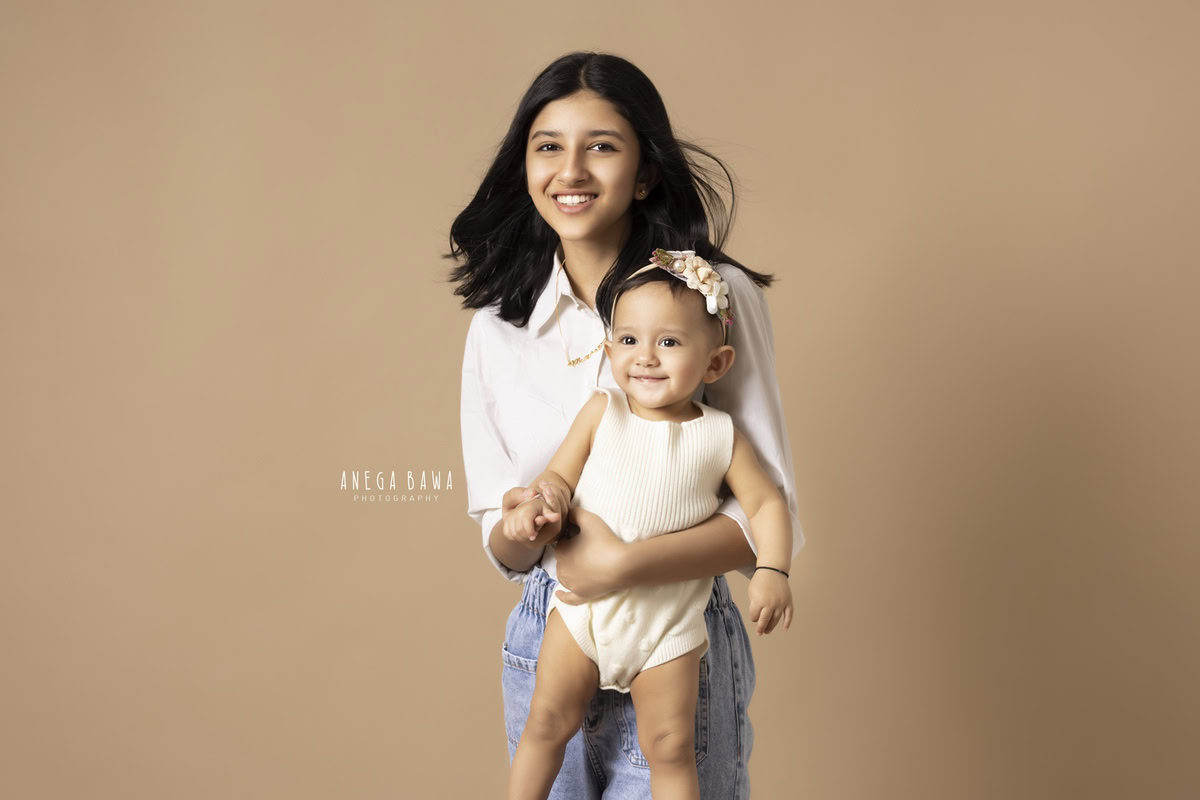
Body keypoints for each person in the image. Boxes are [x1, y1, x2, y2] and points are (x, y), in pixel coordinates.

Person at [451, 51, 805, 799]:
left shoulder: (715, 296)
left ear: (644, 172)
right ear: (526, 165)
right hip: (552, 626)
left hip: (677, 629)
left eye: (602, 146)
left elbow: (765, 513)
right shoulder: (497, 327)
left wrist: (621, 565)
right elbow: (499, 531)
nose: (570, 170)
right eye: (548, 146)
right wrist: (524, 523)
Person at [501, 249, 795, 800]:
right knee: (545, 724)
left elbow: (768, 505)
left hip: (667, 626)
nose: (646, 358)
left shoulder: (721, 435)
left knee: (671, 747)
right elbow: (559, 477)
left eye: (670, 342)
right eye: (630, 340)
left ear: (716, 364)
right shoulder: (601, 411)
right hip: (582, 611)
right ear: (610, 350)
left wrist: (773, 570)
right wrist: (543, 503)